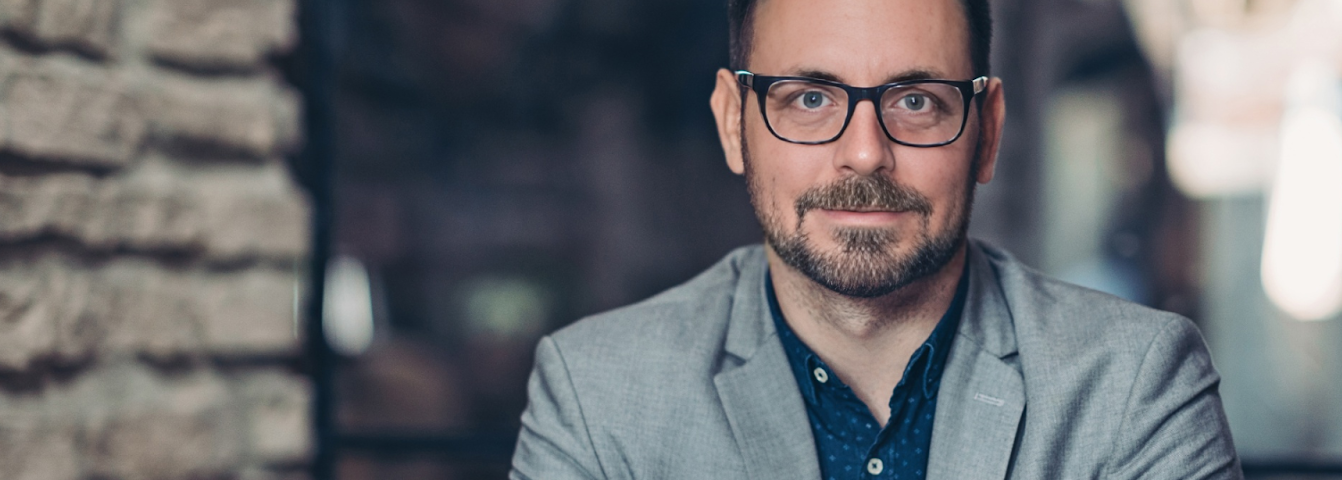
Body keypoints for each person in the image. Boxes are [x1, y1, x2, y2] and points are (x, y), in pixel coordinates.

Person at [511, 0, 1241, 477]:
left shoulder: (1136, 385)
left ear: (985, 131)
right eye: (810, 98)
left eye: (916, 101)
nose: (865, 152)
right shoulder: (598, 395)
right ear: (734, 121)